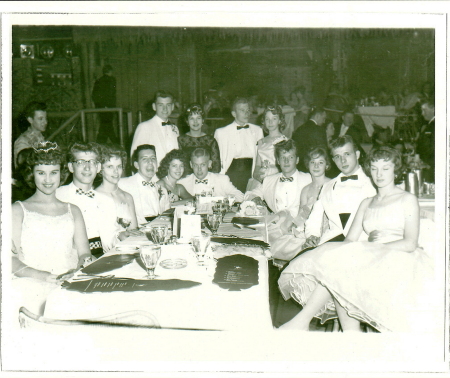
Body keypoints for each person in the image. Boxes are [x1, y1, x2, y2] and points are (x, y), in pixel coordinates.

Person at [278, 146, 434, 332]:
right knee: (338, 268)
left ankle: (303, 322)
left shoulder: (407, 199)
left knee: (344, 271)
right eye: (374, 168)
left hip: (398, 257)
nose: (379, 174)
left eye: (385, 168)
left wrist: (371, 248)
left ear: (395, 169)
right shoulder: (367, 202)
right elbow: (349, 240)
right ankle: (348, 334)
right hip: (371, 256)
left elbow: (410, 243)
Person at [11, 141, 91, 314]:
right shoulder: (18, 210)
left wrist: (80, 268)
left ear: (61, 174)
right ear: (31, 174)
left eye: (53, 173)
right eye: (41, 173)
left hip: (68, 280)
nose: (48, 180)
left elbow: (85, 253)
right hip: (33, 283)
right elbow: (10, 260)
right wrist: (45, 277)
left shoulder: (73, 210)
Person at [302, 135, 377, 250]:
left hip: (363, 244)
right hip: (331, 243)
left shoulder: (374, 183)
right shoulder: (328, 186)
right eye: (337, 157)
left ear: (357, 154)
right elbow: (314, 217)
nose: (343, 160)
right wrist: (312, 235)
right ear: (333, 160)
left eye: (347, 154)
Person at [56, 142, 120, 257]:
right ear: (71, 167)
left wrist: (121, 237)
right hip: (70, 257)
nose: (87, 167)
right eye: (80, 162)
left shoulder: (106, 200)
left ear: (98, 167)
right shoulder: (58, 195)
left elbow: (109, 240)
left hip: (101, 256)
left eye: (92, 162)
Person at [269, 146, 332, 262]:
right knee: (280, 246)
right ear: (308, 165)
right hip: (306, 232)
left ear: (327, 165)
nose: (316, 166)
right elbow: (301, 216)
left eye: (320, 162)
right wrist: (294, 227)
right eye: (313, 162)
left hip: (326, 234)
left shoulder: (331, 185)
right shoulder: (306, 190)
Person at [244, 139, 311, 219]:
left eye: (291, 157)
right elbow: (249, 194)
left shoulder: (308, 179)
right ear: (278, 161)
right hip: (274, 225)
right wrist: (256, 198)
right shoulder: (269, 180)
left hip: (300, 226)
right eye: (283, 158)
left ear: (297, 160)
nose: (286, 161)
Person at [214, 97, 264, 193]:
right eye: (242, 110)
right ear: (234, 113)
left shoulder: (257, 130)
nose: (246, 113)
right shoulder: (221, 132)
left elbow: (260, 156)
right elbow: (219, 159)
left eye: (248, 110)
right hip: (231, 174)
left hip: (250, 173)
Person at [96, 145, 141, 240]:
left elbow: (133, 231)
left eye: (119, 166)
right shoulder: (95, 197)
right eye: (109, 167)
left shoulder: (127, 197)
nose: (115, 171)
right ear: (100, 169)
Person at [119, 144, 170, 225]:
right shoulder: (123, 184)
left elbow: (167, 217)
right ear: (136, 165)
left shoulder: (162, 190)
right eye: (144, 159)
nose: (150, 162)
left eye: (153, 158)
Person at [130, 90, 179, 165]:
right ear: (154, 106)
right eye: (160, 105)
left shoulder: (174, 128)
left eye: (168, 105)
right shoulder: (144, 127)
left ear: (172, 107)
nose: (165, 109)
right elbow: (135, 157)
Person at [178, 147, 244, 202]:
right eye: (195, 165)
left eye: (203, 165)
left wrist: (223, 200)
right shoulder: (183, 182)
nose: (199, 169)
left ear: (209, 164)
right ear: (191, 165)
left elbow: (240, 196)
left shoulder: (221, 179)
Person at [177, 104, 221, 174]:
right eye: (192, 118)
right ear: (187, 121)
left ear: (203, 120)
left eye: (198, 118)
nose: (195, 122)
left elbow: (216, 167)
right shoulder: (181, 140)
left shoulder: (210, 140)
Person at [252, 105, 288, 183]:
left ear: (280, 121)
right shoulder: (261, 141)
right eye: (267, 119)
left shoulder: (284, 140)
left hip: (276, 177)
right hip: (261, 177)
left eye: (274, 119)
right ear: (264, 121)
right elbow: (258, 165)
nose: (270, 122)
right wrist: (257, 175)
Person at [292, 107, 328, 171]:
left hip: (299, 166)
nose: (324, 121)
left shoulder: (299, 129)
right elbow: (323, 150)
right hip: (315, 166)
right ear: (317, 116)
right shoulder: (319, 130)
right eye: (323, 118)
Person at [13, 101, 47, 168]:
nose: (45, 122)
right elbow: (23, 170)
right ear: (30, 120)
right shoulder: (22, 141)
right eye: (40, 119)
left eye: (46, 118)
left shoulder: (41, 137)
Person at [92, 64, 118, 144]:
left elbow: (94, 96)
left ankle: (99, 144)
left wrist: (99, 105)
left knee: (105, 126)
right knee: (107, 126)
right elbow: (111, 94)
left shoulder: (98, 81)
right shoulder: (112, 80)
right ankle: (116, 143)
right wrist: (110, 105)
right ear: (110, 71)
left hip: (101, 108)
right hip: (109, 107)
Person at [416, 99, 435, 183]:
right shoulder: (430, 124)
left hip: (431, 166)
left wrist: (429, 164)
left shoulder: (435, 124)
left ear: (433, 109)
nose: (422, 114)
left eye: (424, 110)